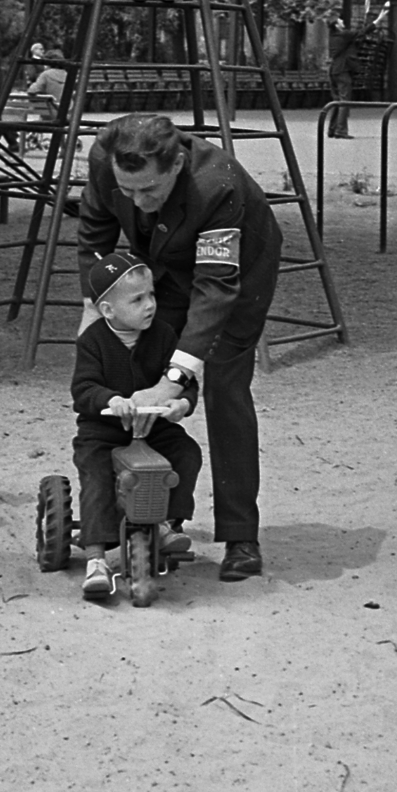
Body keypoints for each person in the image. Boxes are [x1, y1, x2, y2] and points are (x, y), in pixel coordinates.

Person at [77, 114, 280, 581]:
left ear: (177, 165)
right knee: (132, 372)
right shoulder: (106, 161)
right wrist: (95, 309)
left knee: (224, 389)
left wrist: (175, 381)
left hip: (237, 278)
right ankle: (154, 515)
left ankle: (241, 536)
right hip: (162, 270)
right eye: (128, 192)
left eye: (150, 190)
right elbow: (94, 235)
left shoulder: (217, 185)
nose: (139, 203)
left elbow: (214, 291)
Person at [71, 254, 202, 598]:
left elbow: (185, 381)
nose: (150, 306)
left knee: (186, 453)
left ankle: (167, 523)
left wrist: (181, 403)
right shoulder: (92, 341)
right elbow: (83, 389)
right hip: (105, 432)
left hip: (153, 427)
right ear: (109, 310)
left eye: (152, 295)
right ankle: (97, 558)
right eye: (137, 299)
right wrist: (110, 400)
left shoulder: (163, 335)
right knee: (97, 475)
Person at [326, 2, 390, 139]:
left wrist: (366, 25)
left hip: (334, 70)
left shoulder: (335, 37)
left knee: (337, 101)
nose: (342, 21)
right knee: (344, 101)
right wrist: (379, 19)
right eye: (340, 20)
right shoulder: (343, 36)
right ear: (337, 25)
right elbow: (362, 32)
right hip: (343, 71)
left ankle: (332, 129)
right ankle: (341, 130)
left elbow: (357, 36)